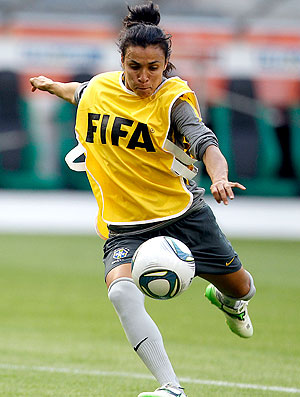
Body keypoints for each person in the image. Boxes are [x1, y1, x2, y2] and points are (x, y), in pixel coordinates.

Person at [30, 2, 256, 396]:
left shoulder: (173, 100)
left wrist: (219, 176)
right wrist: (51, 86)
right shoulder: (100, 88)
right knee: (120, 292)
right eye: (135, 67)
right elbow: (80, 94)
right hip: (124, 227)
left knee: (242, 287)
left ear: (166, 64)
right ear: (122, 61)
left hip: (181, 216)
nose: (144, 76)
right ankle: (171, 388)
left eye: (154, 67)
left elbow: (204, 141)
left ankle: (230, 302)